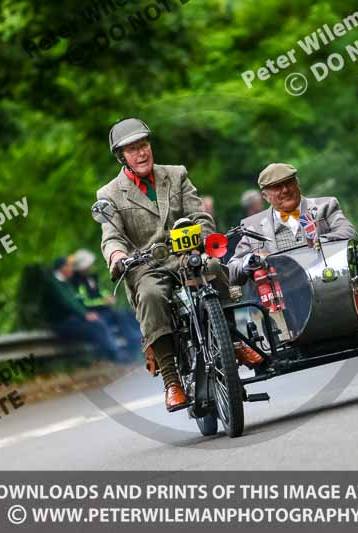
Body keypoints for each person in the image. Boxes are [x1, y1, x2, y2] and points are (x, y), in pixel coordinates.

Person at [97, 117, 262, 411]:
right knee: (149, 295)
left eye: (144, 145)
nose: (141, 153)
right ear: (122, 156)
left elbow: (200, 215)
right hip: (148, 266)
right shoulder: (109, 193)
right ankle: (172, 381)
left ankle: (232, 342)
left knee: (212, 268)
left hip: (186, 255)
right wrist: (117, 257)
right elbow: (111, 237)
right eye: (132, 149)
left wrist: (205, 236)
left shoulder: (176, 174)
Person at [228, 163, 358, 285]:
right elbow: (231, 270)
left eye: (289, 183)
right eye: (277, 187)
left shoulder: (324, 206)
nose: (285, 190)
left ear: (297, 183)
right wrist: (251, 260)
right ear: (265, 196)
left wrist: (320, 242)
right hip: (281, 298)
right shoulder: (253, 226)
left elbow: (349, 234)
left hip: (328, 284)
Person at [42, 256, 124, 362]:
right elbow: (69, 302)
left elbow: (75, 301)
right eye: (69, 266)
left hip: (71, 319)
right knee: (97, 324)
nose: (72, 269)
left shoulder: (64, 282)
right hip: (61, 323)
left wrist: (86, 314)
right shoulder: (55, 283)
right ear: (62, 268)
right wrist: (85, 314)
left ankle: (109, 354)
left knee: (98, 323)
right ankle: (113, 354)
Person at [70, 249, 141, 361]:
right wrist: (103, 302)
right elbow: (85, 301)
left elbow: (101, 291)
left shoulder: (92, 278)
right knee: (102, 324)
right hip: (95, 313)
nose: (91, 266)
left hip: (105, 311)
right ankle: (115, 354)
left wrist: (108, 297)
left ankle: (133, 345)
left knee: (122, 315)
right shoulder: (78, 282)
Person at [222, 189, 265, 263]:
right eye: (260, 204)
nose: (262, 207)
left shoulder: (266, 224)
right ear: (251, 208)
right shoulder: (238, 232)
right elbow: (230, 258)